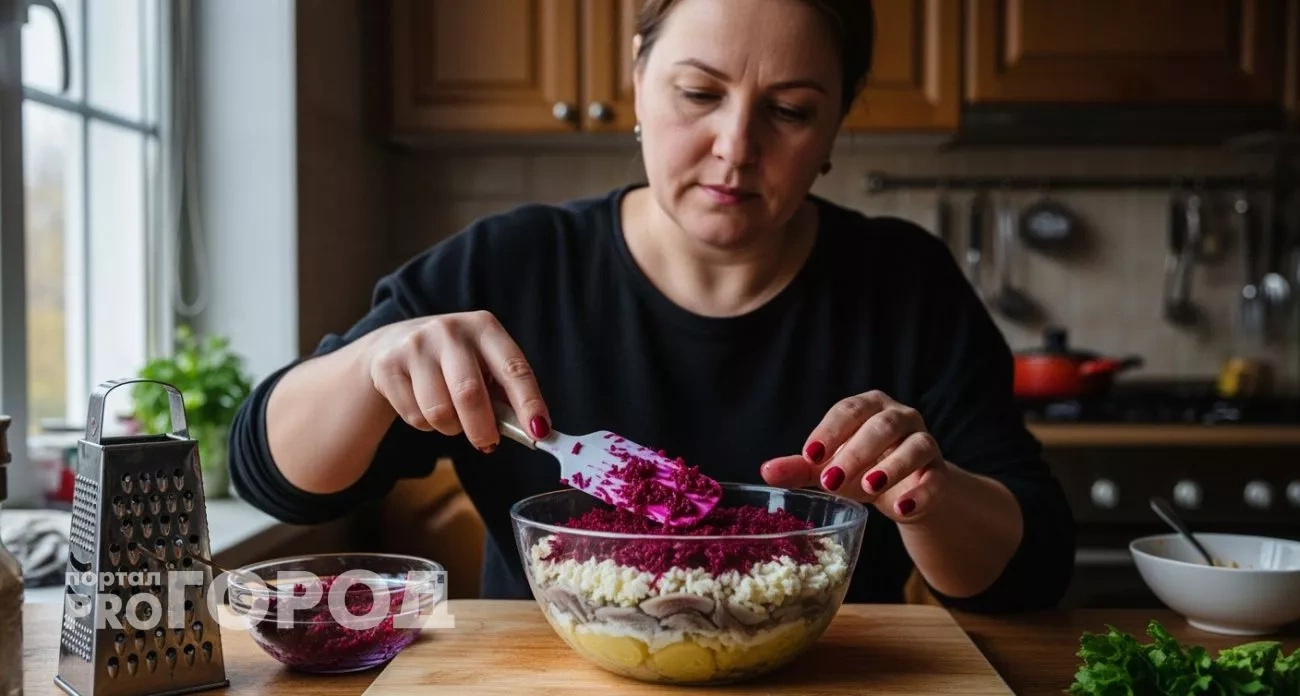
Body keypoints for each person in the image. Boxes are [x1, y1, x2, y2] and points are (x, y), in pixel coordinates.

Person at [229, 0, 1076, 612]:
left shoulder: (906, 284)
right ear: (636, 78)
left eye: (790, 111)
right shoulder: (511, 266)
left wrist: (924, 490)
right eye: (699, 94)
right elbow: (271, 478)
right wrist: (373, 368)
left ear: (836, 127)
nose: (736, 148)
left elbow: (1033, 573)